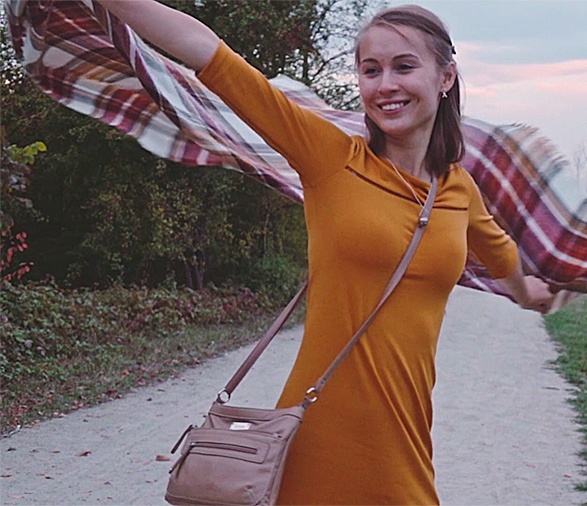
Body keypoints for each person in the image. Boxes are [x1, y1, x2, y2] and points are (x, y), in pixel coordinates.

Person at [94, 1, 555, 504]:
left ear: (446, 77)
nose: (385, 85)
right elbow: (209, 54)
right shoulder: (331, 157)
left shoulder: (458, 188)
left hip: (404, 438)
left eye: (404, 66)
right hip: (317, 434)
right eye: (370, 70)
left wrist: (526, 292)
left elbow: (499, 251)